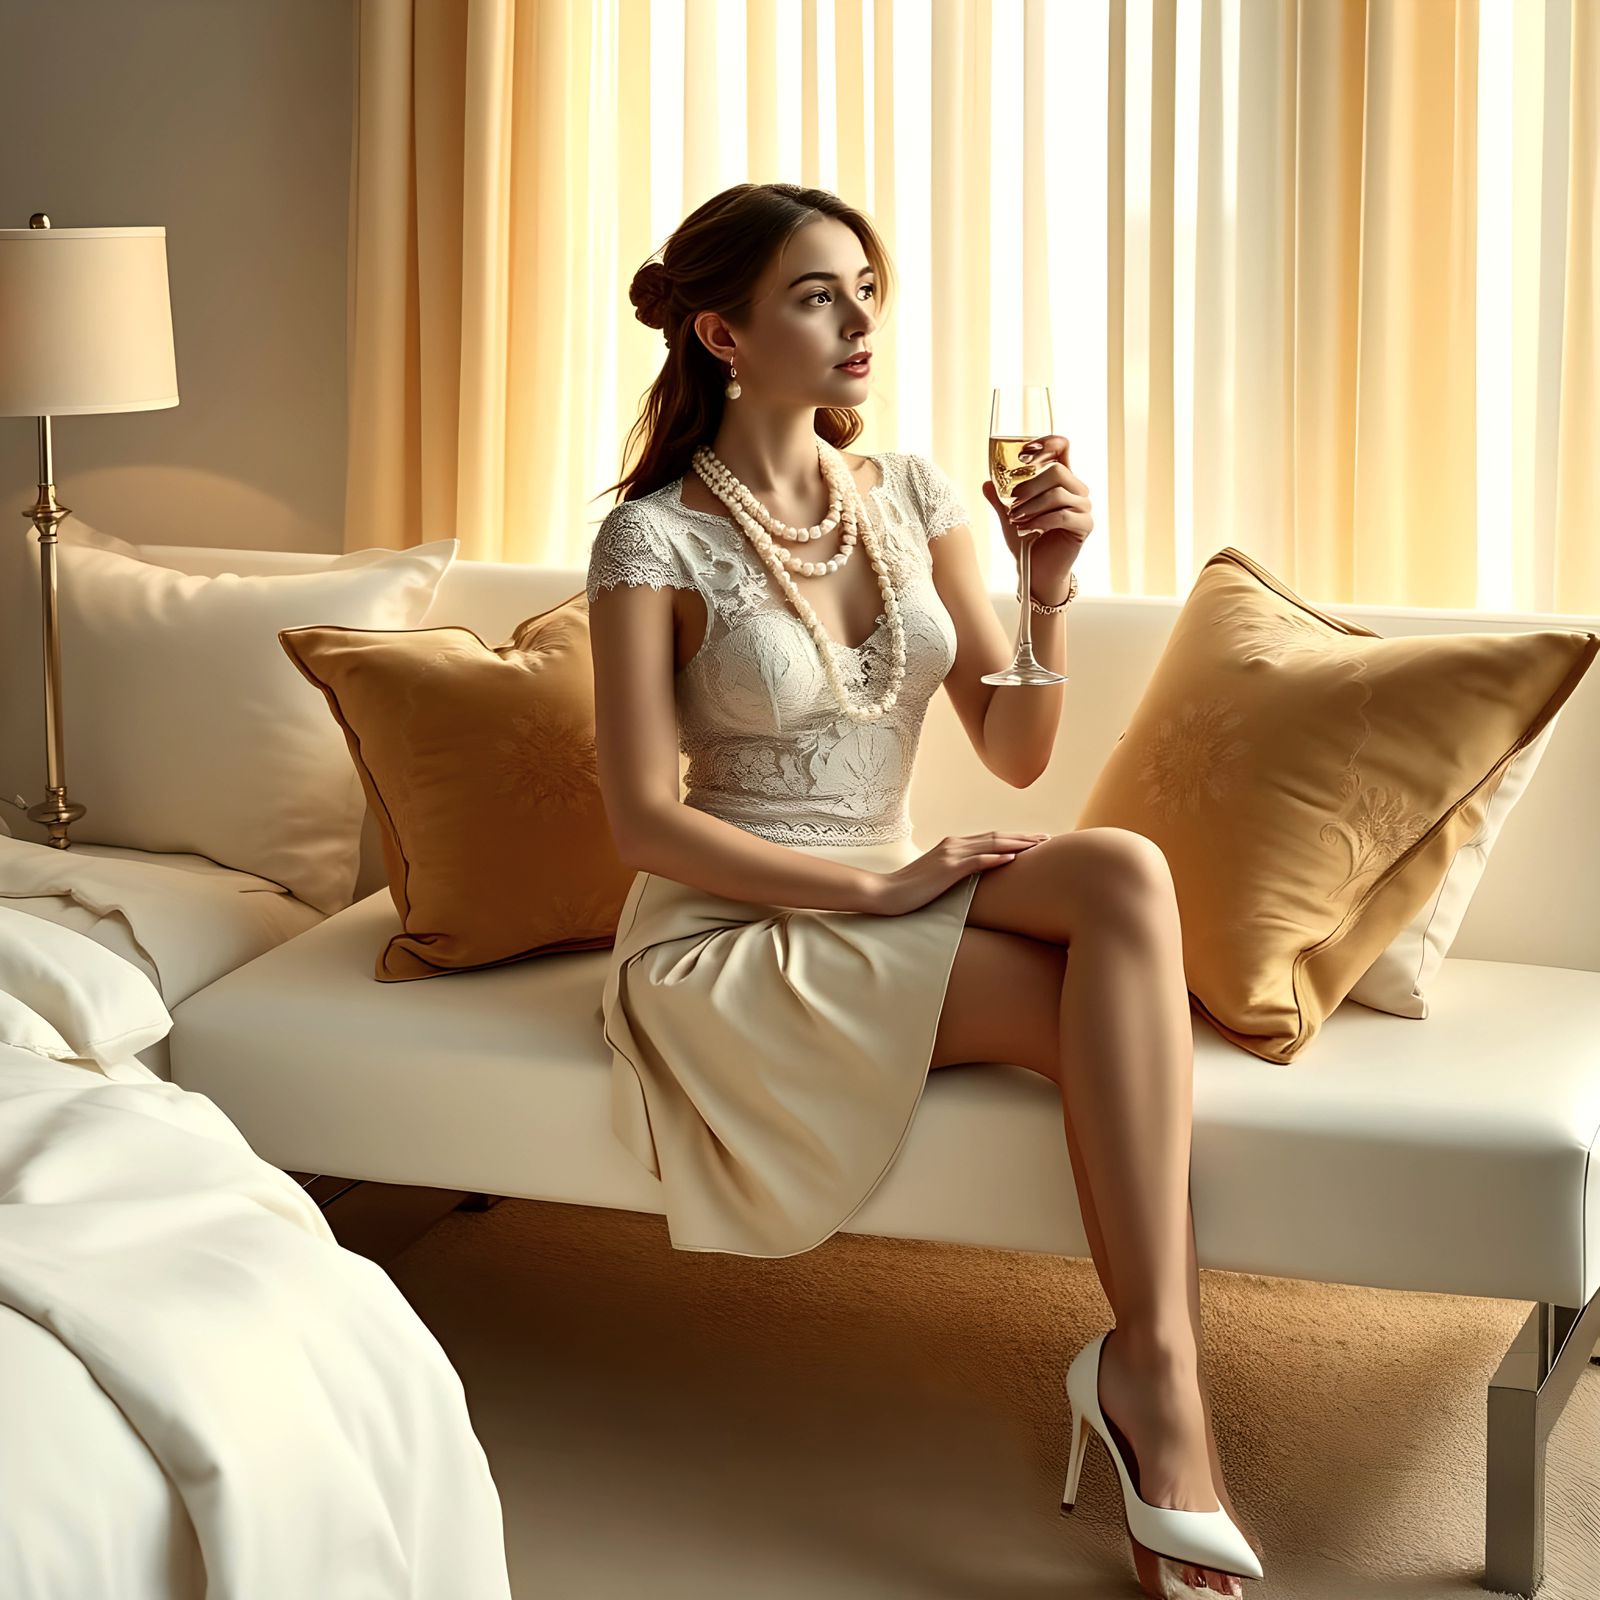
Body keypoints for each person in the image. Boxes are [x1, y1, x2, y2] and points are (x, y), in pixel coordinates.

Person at [585, 181, 1261, 1600]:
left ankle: (1153, 1371)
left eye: (866, 291)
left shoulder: (911, 496)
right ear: (722, 333)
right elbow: (645, 825)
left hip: (888, 889)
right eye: (816, 295)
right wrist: (873, 892)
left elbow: (1015, 752)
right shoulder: (651, 540)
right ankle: (1160, 1403)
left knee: (1122, 873)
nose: (859, 322)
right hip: (735, 933)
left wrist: (1047, 583)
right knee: (1095, 999)